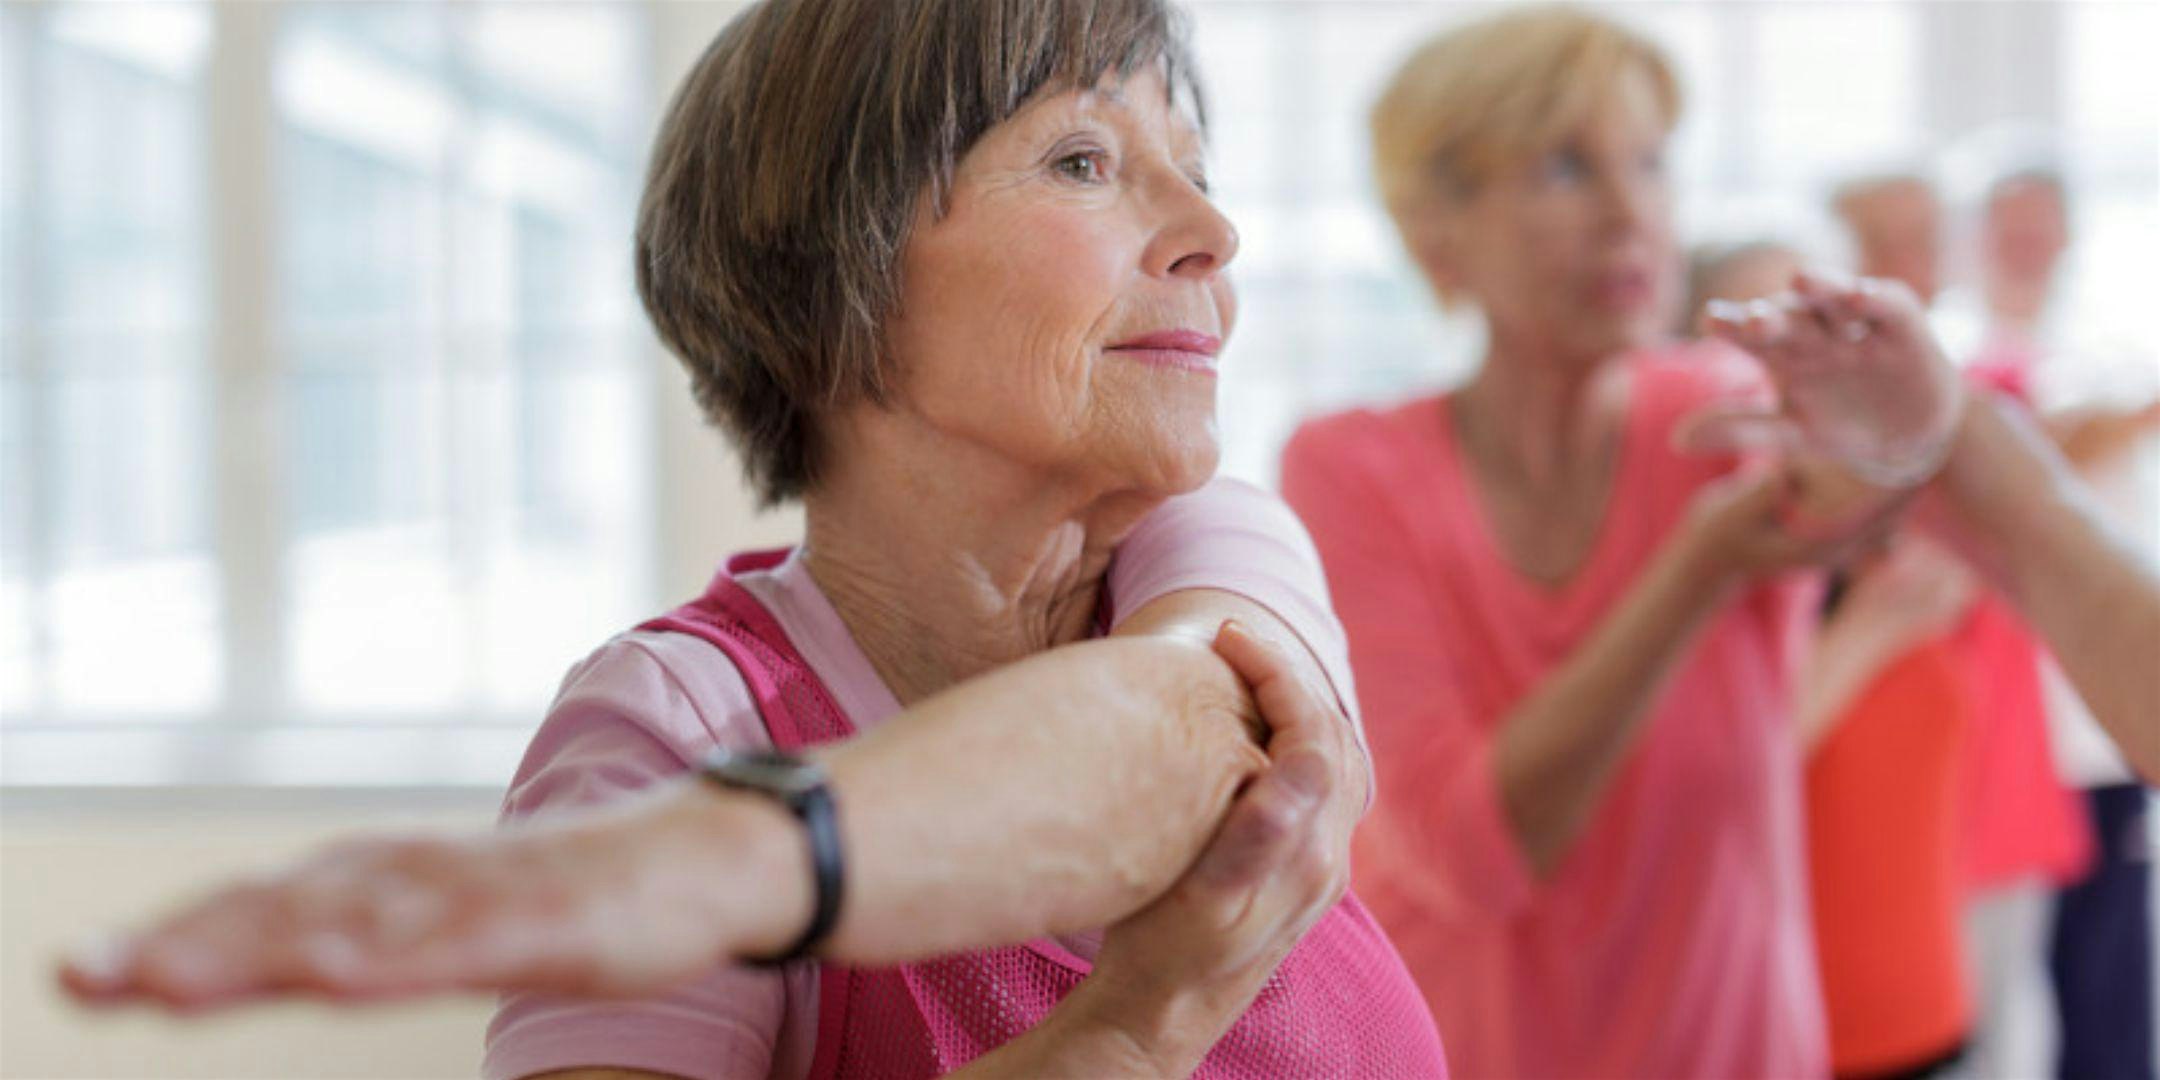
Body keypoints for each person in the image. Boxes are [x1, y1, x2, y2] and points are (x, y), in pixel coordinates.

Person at [55, 2, 1451, 1078]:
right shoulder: (669, 733)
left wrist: (743, 864)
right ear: (835, 272)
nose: (1215, 232)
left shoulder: (1210, 542)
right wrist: (1134, 1027)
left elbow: (1178, 721)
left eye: (1195, 171)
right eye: (1084, 160)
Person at [1279, 11, 1890, 1076]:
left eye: (1651, 164)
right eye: (1565, 168)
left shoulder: (1725, 415)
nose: (1632, 214)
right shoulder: (1349, 468)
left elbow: (1879, 489)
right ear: (1438, 232)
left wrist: (1878, 396)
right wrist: (1699, 567)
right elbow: (1473, 853)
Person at [1834, 168, 2094, 1080]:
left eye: (1921, 236)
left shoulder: (1969, 388)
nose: (1904, 264)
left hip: (1986, 761)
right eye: (1878, 240)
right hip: (1881, 805)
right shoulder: (1891, 412)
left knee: (2005, 1024)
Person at [1973, 164, 2158, 1080]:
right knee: (2000, 994)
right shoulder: (1956, 347)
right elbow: (2055, 439)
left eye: (2045, 223)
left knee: (2110, 986)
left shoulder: (2102, 341)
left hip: (2101, 727)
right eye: (2012, 223)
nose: (2029, 241)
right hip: (2009, 725)